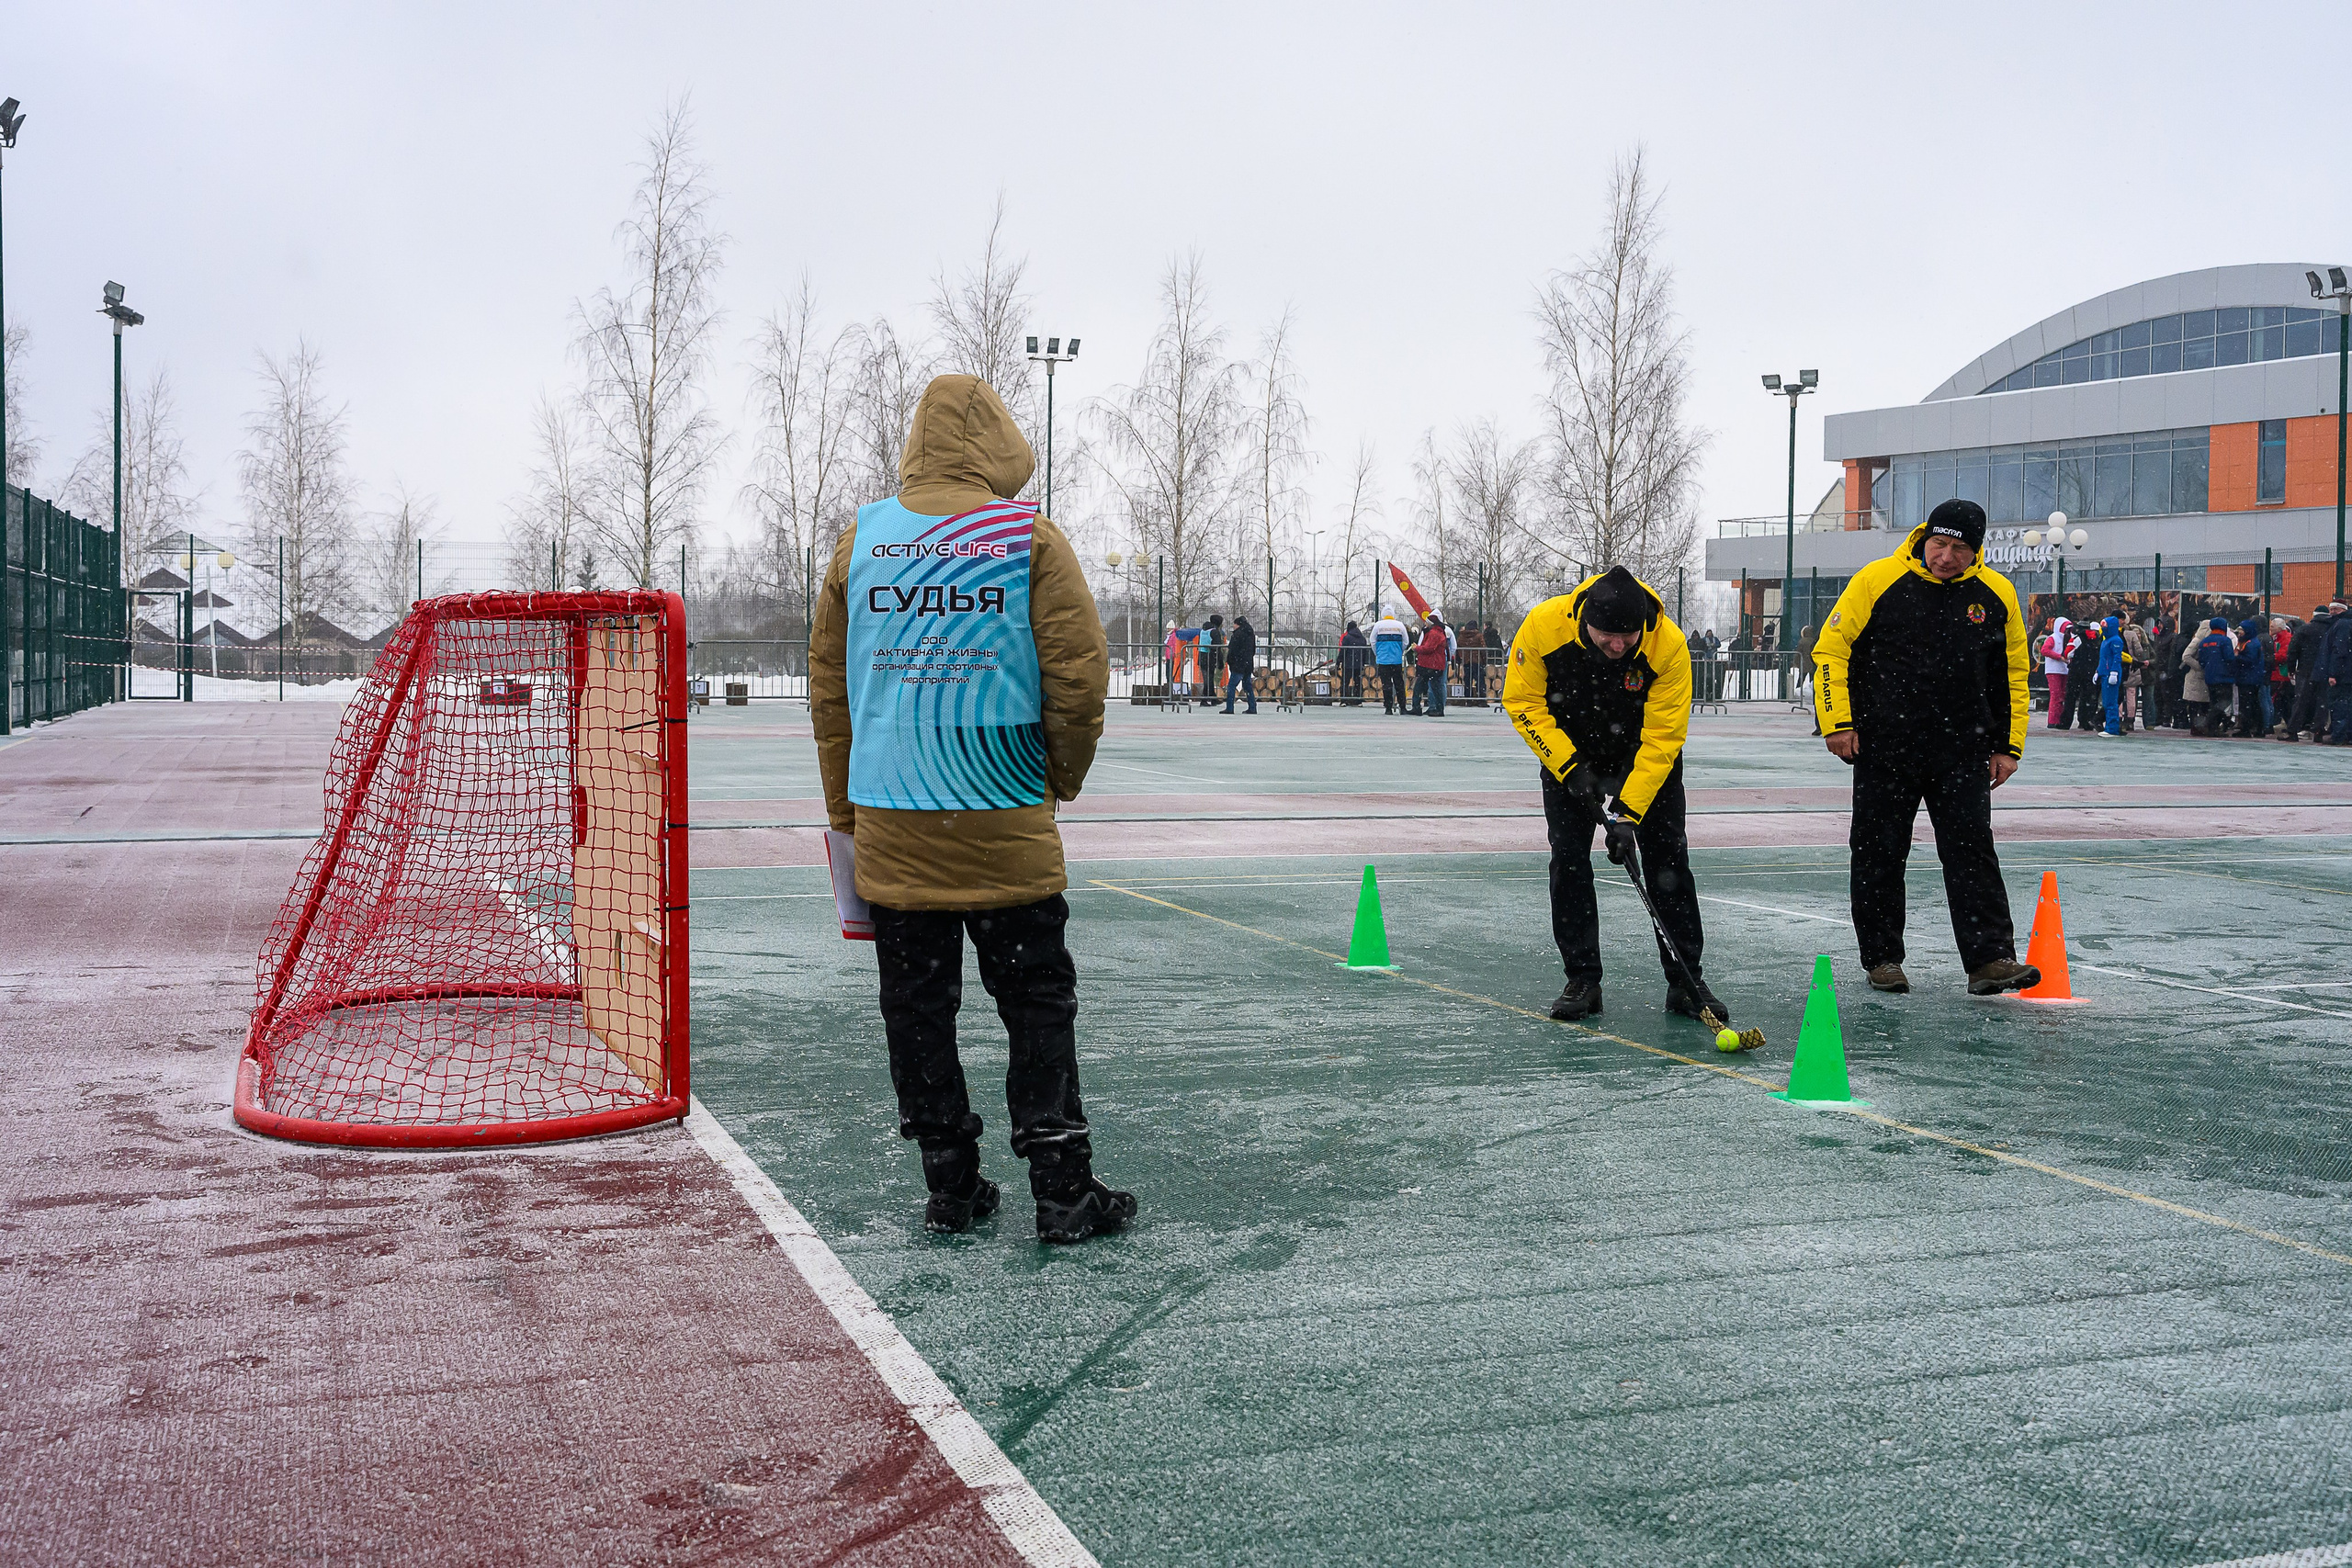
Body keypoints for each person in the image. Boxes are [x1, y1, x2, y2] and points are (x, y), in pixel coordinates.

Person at [810, 373, 1135, 1245]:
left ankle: (950, 1184)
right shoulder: (1027, 538)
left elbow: (831, 696)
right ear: (996, 442)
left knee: (916, 1008)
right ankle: (1063, 1188)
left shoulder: (861, 545)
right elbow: (1079, 675)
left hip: (893, 821)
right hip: (1002, 817)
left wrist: (846, 811)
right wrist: (1055, 777)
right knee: (1036, 1002)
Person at [1811, 499, 2040, 997]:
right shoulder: (1876, 579)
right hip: (1884, 747)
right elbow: (1831, 651)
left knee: (1972, 850)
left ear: (1975, 549)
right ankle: (1883, 959)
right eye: (1939, 544)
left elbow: (2012, 675)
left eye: (1959, 548)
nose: (1946, 557)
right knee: (1878, 851)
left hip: (1963, 750)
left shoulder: (1997, 594)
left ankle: (1989, 960)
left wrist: (2009, 746)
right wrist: (1837, 722)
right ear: (1923, 538)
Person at [1503, 565, 1728, 1025]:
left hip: (1643, 754)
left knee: (1668, 862)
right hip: (1569, 753)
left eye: (1628, 635)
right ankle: (1583, 980)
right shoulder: (1544, 627)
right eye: (1608, 634)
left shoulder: (1667, 644)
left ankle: (1686, 981)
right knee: (1568, 859)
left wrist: (1627, 815)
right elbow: (1523, 702)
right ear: (1586, 618)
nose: (1619, 645)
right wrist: (1568, 766)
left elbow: (1665, 736)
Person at [2285, 605, 2333, 741]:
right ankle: (2318, 731)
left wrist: (2291, 669)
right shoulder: (2331, 629)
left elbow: (2293, 650)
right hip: (2325, 670)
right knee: (2322, 702)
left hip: (2305, 670)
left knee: (2300, 701)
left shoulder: (2304, 629)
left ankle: (2293, 730)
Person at [2190, 617, 2236, 737]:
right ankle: (2211, 725)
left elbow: (2202, 660)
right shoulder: (2225, 641)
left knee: (2214, 701)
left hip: (2210, 677)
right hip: (2224, 677)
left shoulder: (2204, 642)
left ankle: (2212, 728)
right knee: (2223, 702)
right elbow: (2230, 658)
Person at [2094, 614, 2132, 737]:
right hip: (2105, 673)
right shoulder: (2106, 641)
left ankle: (2112, 728)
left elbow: (2117, 658)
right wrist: (2098, 672)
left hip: (2111, 673)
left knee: (2111, 702)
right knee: (2107, 702)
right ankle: (2111, 727)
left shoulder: (2115, 640)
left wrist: (2114, 672)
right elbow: (2103, 659)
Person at [2039, 614, 2077, 728]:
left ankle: (2059, 720)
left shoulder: (2069, 639)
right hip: (2054, 670)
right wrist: (2059, 657)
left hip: (2064, 670)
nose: (2067, 631)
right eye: (2066, 629)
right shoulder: (2053, 638)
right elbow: (2044, 650)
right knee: (2056, 695)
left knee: (2062, 696)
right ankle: (2053, 720)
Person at [2233, 616, 2269, 738]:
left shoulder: (2251, 644)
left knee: (2247, 704)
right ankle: (2259, 728)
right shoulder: (2251, 642)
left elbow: (2250, 660)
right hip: (2251, 678)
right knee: (2253, 703)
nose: (2239, 633)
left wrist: (2237, 657)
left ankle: (2246, 728)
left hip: (2248, 678)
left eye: (2241, 630)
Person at [2064, 616, 2102, 729]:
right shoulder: (2097, 639)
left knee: (2071, 697)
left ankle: (2066, 722)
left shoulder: (2077, 639)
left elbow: (2068, 653)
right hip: (2091, 672)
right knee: (2087, 697)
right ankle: (2085, 721)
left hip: (2076, 671)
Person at [1372, 604, 1409, 715]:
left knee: (1386, 684)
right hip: (1396, 660)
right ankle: (1402, 707)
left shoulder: (1378, 626)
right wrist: (1399, 651)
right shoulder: (1400, 625)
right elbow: (1405, 642)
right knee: (1399, 683)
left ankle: (1388, 707)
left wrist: (1378, 653)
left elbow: (1373, 641)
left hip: (1383, 660)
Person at [2323, 601, 2352, 744]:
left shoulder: (2341, 625)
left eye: (2335, 609)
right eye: (2331, 609)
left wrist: (2333, 673)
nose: (2332, 612)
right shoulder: (2344, 623)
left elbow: (2338, 650)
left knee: (2340, 704)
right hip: (2346, 672)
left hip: (2342, 673)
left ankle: (2339, 735)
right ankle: (2346, 734)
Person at [2121, 615, 2154, 732]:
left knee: (2119, 696)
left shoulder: (2114, 634)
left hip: (2118, 667)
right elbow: (2140, 651)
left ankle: (2119, 719)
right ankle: (2130, 720)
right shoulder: (2131, 635)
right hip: (2132, 668)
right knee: (2131, 695)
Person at [1412, 615, 1449, 716]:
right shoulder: (1438, 632)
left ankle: (1419, 707)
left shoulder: (1434, 633)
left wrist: (1417, 648)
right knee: (1435, 686)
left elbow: (1428, 648)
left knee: (1422, 686)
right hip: (1434, 664)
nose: (1424, 623)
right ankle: (1438, 708)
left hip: (1430, 664)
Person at [1222, 614, 1259, 714]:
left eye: (1234, 624)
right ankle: (1252, 707)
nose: (1233, 626)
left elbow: (1232, 650)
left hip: (1238, 664)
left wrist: (1231, 661)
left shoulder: (1238, 634)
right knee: (1247, 686)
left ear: (1238, 624)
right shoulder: (1250, 634)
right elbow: (1253, 650)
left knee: (1231, 686)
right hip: (1248, 663)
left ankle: (1230, 707)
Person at [1338, 620, 1368, 706]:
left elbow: (1343, 651)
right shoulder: (1362, 638)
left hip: (1348, 663)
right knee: (1358, 682)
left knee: (1345, 682)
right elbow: (1364, 652)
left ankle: (1344, 700)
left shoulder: (1347, 638)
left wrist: (1338, 662)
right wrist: (1363, 664)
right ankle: (1358, 700)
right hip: (1358, 664)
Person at [1459, 621, 1487, 700]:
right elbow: (1483, 648)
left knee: (1467, 680)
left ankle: (1468, 699)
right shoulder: (1478, 636)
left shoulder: (1462, 636)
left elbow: (1458, 648)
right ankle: (1481, 699)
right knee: (1480, 680)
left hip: (1466, 661)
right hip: (1477, 660)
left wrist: (1461, 658)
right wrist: (1485, 660)